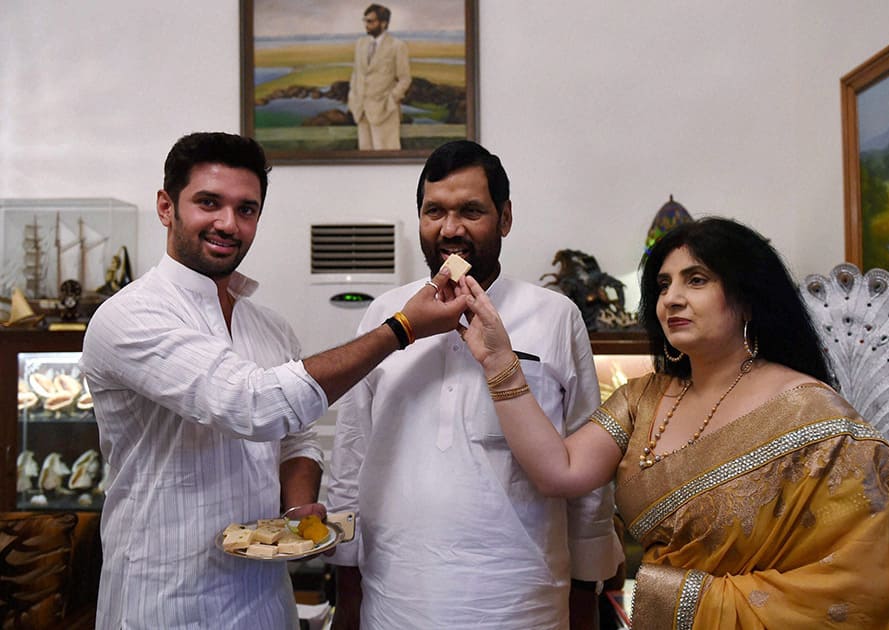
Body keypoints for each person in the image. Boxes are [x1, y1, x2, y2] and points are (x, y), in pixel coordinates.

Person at [79, 132, 466, 630]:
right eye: (208, 203)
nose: (228, 224)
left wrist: (296, 504)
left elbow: (296, 435)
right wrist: (401, 328)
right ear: (165, 207)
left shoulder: (268, 326)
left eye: (247, 209)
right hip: (165, 599)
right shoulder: (128, 317)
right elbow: (253, 405)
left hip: (265, 603)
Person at [459, 216, 889, 629]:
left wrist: (681, 599)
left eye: (695, 280)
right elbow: (558, 470)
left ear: (746, 300)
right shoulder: (643, 398)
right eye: (662, 285)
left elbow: (858, 587)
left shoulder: (813, 417)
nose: (672, 299)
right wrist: (501, 363)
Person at [325, 140, 623, 629]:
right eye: (434, 211)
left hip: (523, 603)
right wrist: (347, 592)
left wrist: (587, 589)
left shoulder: (554, 317)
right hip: (398, 601)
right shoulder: (385, 317)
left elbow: (588, 476)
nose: (450, 229)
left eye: (471, 211)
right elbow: (350, 457)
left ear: (505, 218)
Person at [348, 4, 411, 150]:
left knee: (389, 162)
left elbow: (404, 78)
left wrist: (392, 99)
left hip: (385, 112)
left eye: (370, 21)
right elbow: (356, 74)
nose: (366, 25)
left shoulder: (397, 46)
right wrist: (353, 99)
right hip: (361, 112)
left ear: (383, 23)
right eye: (365, 21)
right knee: (364, 163)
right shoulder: (360, 44)